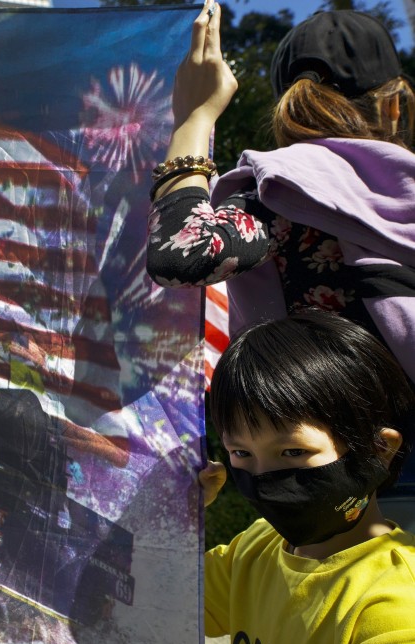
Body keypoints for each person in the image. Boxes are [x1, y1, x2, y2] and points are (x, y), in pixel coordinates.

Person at [147, 3, 415, 484]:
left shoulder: (286, 195)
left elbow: (180, 254)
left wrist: (194, 116)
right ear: (395, 106)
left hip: (330, 481)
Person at [199, 309, 415, 644]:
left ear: (380, 449)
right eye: (241, 453)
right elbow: (143, 598)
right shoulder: (251, 550)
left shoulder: (395, 611)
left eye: (293, 452)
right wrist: (171, 514)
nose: (265, 476)